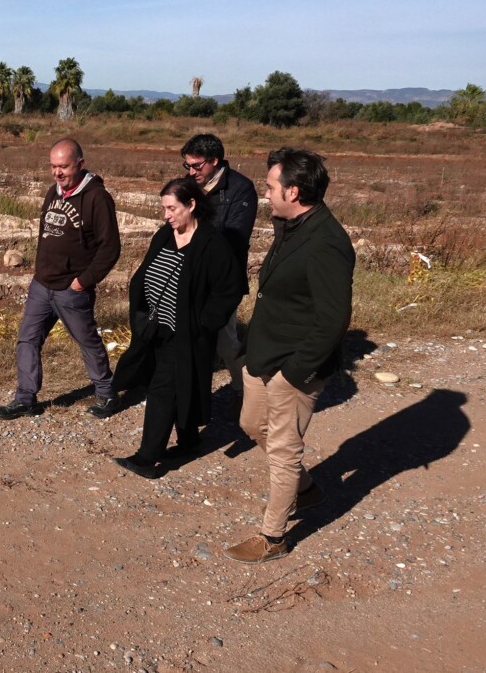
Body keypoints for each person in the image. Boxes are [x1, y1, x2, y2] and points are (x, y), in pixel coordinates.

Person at [224, 148, 355, 564]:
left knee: (283, 449)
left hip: (294, 366)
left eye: (270, 186)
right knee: (250, 424)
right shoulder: (292, 225)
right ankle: (307, 489)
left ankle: (273, 537)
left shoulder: (327, 242)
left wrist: (297, 373)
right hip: (263, 356)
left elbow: (334, 319)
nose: (266, 194)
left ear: (293, 191)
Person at [106, 176, 247, 478]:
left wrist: (202, 324)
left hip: (186, 336)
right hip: (155, 328)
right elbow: (143, 275)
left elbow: (230, 289)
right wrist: (142, 315)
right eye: (163, 209)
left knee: (162, 390)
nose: (166, 215)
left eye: (171, 208)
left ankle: (148, 458)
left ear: (192, 205)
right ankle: (189, 441)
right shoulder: (164, 235)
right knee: (184, 385)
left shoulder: (211, 244)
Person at [0, 138, 122, 420]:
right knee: (27, 340)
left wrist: (83, 281)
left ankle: (106, 393)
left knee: (87, 341)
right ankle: (25, 398)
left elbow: (110, 247)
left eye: (63, 166)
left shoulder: (97, 198)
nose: (57, 173)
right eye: (53, 166)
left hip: (71, 289)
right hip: (42, 285)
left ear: (80, 164)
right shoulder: (54, 191)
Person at [180, 133, 258, 414]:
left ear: (214, 161)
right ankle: (191, 395)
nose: (191, 172)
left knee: (225, 342)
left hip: (222, 281)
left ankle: (243, 389)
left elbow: (235, 237)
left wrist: (197, 240)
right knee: (188, 338)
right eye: (187, 166)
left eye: (196, 166)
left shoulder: (241, 189)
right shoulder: (188, 186)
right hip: (189, 275)